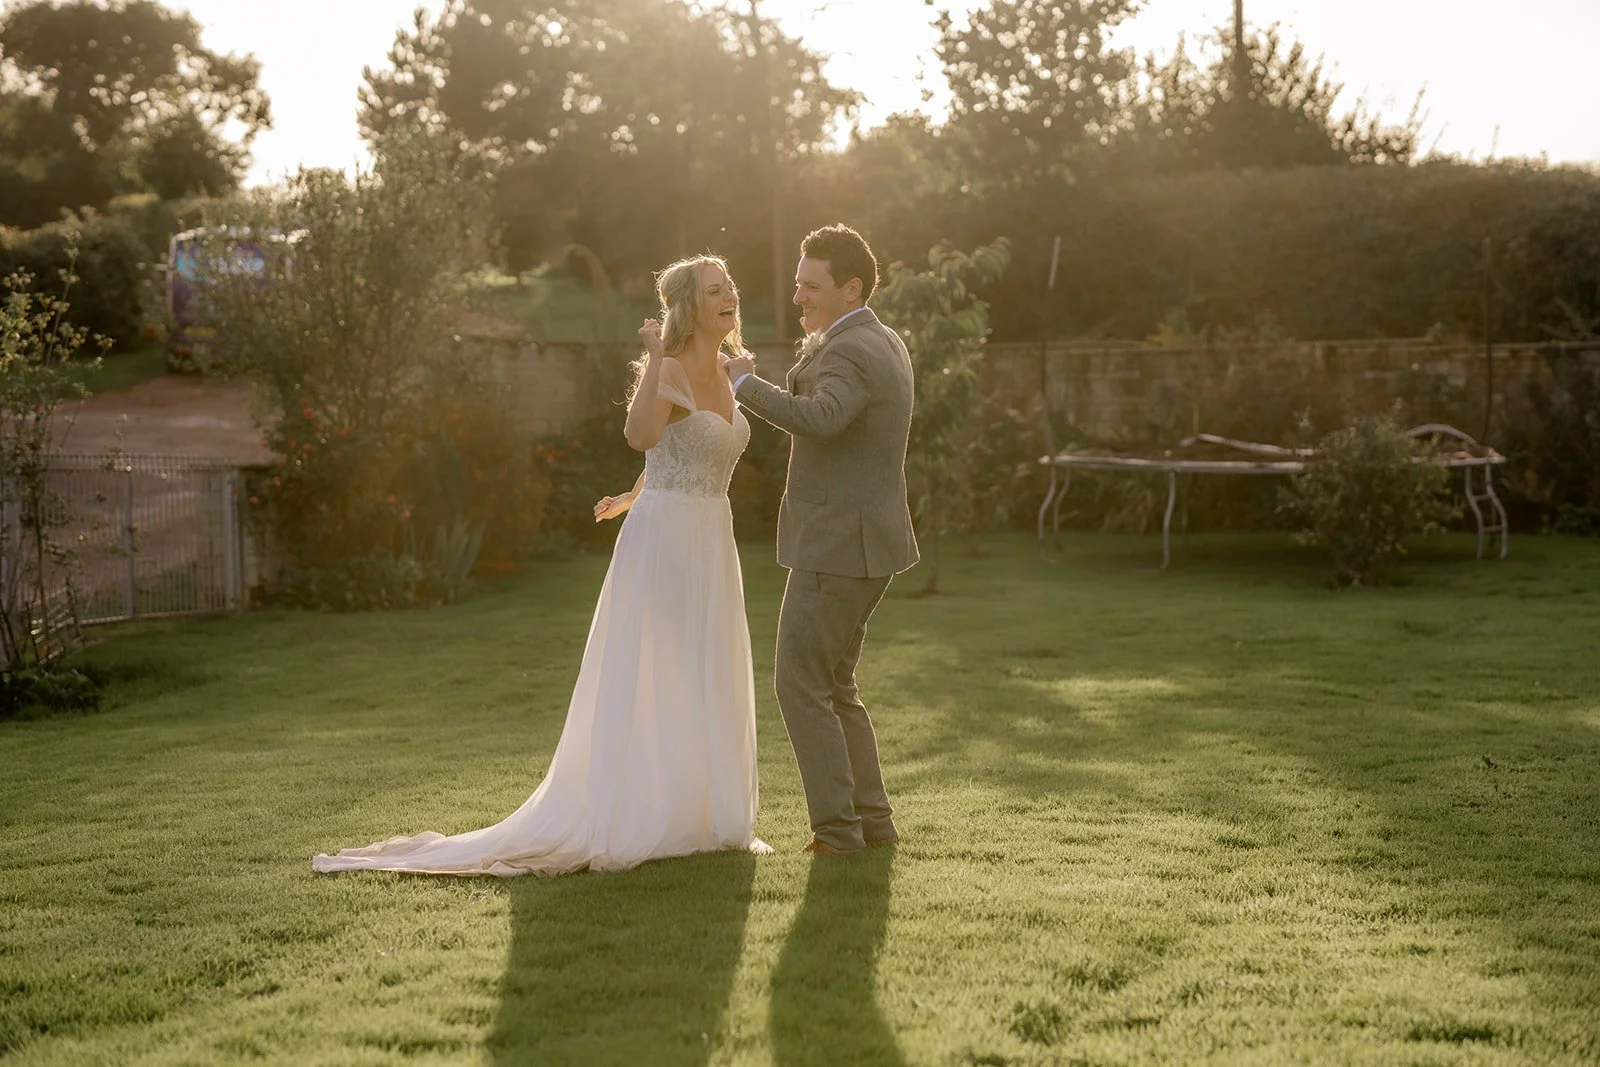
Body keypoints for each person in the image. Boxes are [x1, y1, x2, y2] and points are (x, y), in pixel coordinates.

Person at [313, 255, 770, 876]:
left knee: (704, 664)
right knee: (659, 667)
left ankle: (704, 814)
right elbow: (643, 439)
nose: (729, 296)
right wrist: (656, 361)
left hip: (712, 536)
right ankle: (648, 813)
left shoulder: (730, 370)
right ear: (690, 304)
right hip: (665, 542)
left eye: (730, 286)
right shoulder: (669, 367)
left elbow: (688, 455)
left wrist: (633, 491)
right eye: (716, 289)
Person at [722, 224, 919, 855]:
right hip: (865, 543)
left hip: (837, 547)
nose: (798, 295)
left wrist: (744, 385)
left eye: (811, 285)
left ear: (851, 288)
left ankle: (837, 833)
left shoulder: (850, 350)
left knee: (800, 684)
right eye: (798, 282)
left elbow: (824, 418)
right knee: (835, 686)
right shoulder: (880, 339)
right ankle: (872, 824)